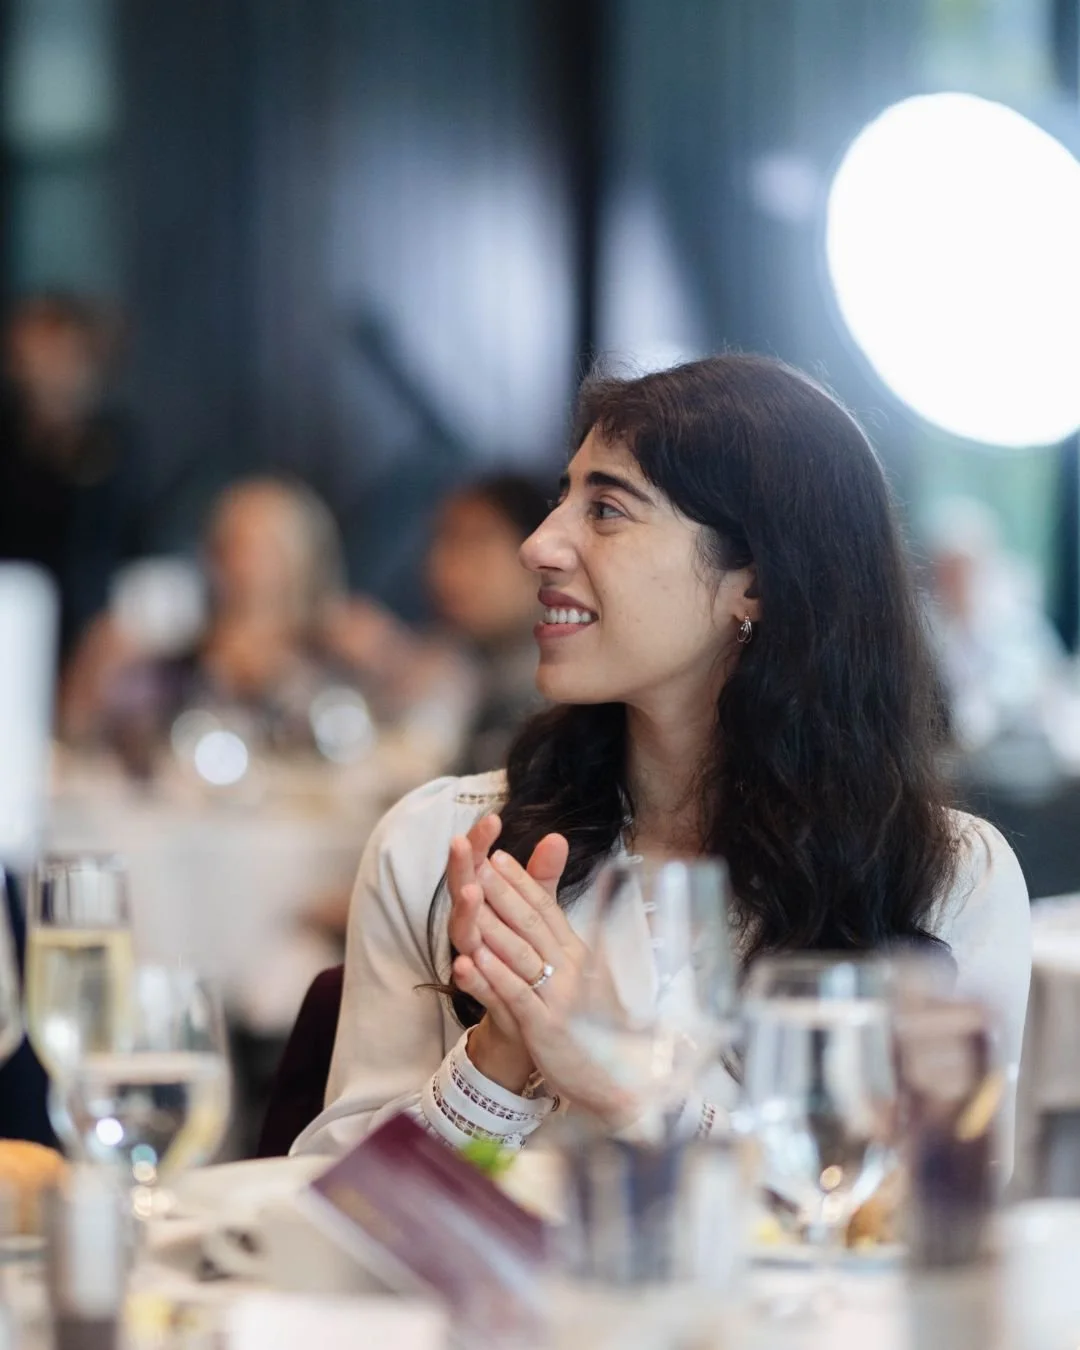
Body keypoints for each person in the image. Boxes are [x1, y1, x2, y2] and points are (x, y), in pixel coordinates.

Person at [293, 356, 1031, 1160]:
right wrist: (498, 1058)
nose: (539, 546)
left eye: (606, 509)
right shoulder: (444, 846)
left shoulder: (947, 878)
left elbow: (937, 1232)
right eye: (559, 501)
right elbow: (337, 1226)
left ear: (756, 580)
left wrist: (623, 1080)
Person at [62, 476, 450, 755]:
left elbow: (425, 726)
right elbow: (81, 736)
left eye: (267, 547)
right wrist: (97, 663)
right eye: (233, 545)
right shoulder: (173, 658)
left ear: (303, 557)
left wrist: (392, 658)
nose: (246, 564)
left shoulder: (341, 646)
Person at [0, 293, 143, 657]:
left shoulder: (113, 443)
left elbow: (121, 541)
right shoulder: (12, 443)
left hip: (91, 626)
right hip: (14, 619)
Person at [426, 474, 549, 774]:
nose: (444, 566)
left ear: (539, 558)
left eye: (476, 542)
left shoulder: (539, 695)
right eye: (444, 539)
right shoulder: (497, 667)